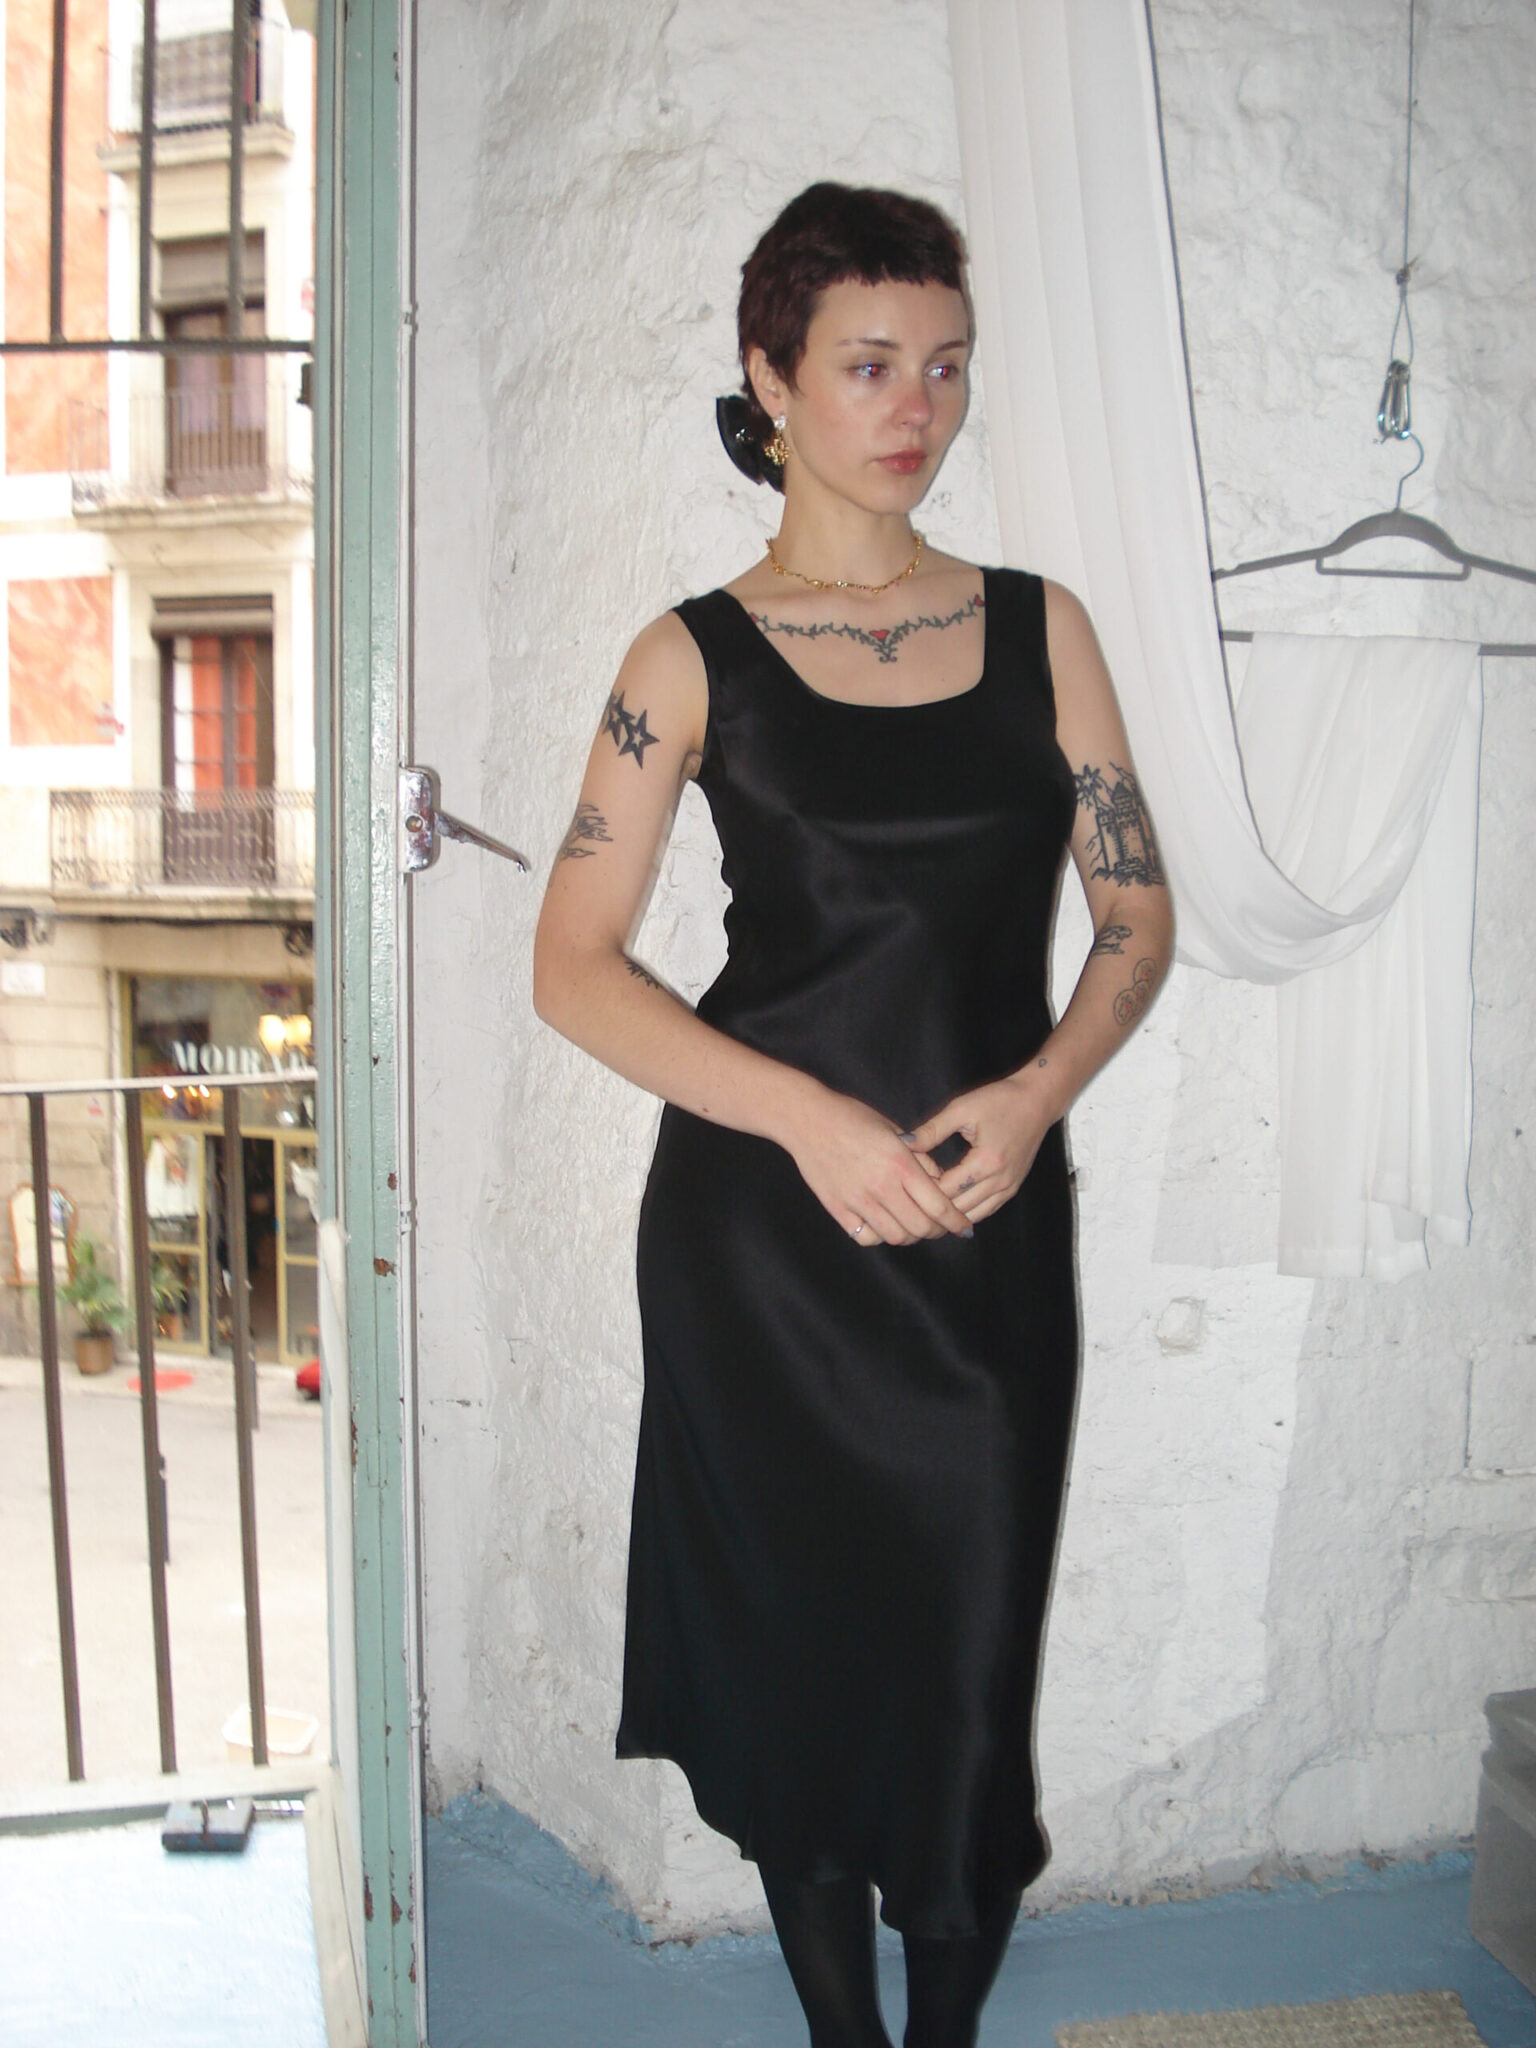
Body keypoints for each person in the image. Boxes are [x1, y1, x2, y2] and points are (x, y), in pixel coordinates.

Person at [533, 182, 1174, 2048]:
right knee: (796, 1662)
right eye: (871, 365)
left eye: (946, 367)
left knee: (970, 1674)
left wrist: (1042, 1092)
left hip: (984, 1230)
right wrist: (808, 1122)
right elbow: (572, 967)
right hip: (763, 1251)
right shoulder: (687, 659)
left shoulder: (1041, 628)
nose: (918, 407)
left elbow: (1134, 915)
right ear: (772, 377)